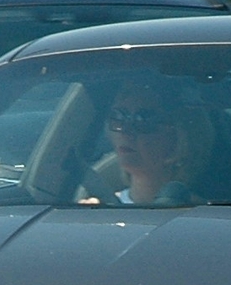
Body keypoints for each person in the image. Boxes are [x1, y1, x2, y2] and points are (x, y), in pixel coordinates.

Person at [82, 79, 213, 206]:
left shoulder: (205, 216)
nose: (126, 130)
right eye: (118, 116)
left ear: (183, 136)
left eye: (144, 120)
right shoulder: (97, 212)